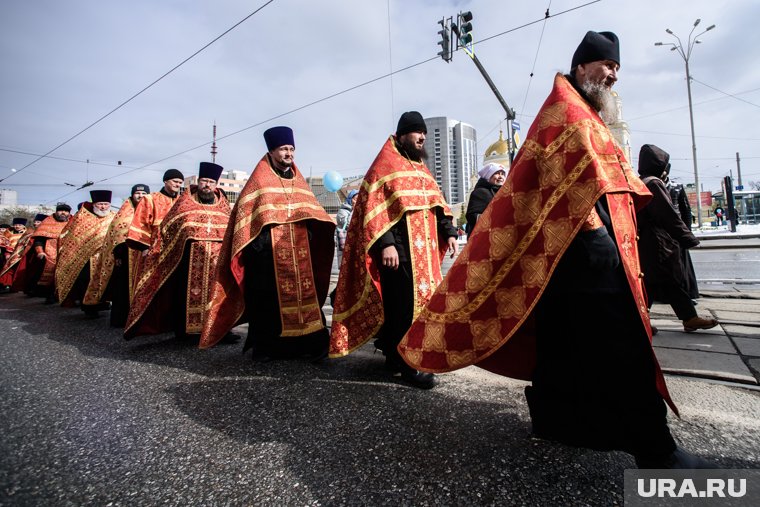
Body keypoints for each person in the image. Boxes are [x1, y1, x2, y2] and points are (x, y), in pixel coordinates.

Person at [398, 32, 716, 468]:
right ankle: (656, 451)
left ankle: (563, 421)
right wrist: (599, 239)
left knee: (566, 341)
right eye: (608, 65)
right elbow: (564, 189)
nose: (613, 75)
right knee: (623, 347)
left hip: (572, 254)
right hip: (585, 253)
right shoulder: (567, 112)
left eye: (617, 69)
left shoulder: (581, 111)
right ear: (583, 66)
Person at [330, 111, 458, 389]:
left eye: (423, 132)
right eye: (416, 132)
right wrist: (386, 244)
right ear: (402, 135)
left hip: (425, 252)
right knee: (403, 308)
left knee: (418, 308)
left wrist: (449, 233)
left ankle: (394, 354)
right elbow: (376, 209)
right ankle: (408, 364)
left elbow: (439, 206)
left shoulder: (421, 168)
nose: (421, 137)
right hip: (400, 252)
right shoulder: (386, 164)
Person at [200, 127, 335, 360]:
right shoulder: (259, 180)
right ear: (271, 151)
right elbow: (246, 218)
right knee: (267, 303)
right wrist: (261, 246)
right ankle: (267, 348)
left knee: (305, 300)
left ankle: (312, 346)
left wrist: (312, 233)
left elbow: (311, 213)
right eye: (284, 149)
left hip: (299, 253)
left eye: (292, 149)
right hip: (267, 257)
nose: (289, 153)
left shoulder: (298, 181)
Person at [125, 164, 235, 342]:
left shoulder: (223, 205)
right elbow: (168, 228)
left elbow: (231, 231)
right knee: (185, 297)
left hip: (216, 262)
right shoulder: (184, 203)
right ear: (198, 182)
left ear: (216, 184)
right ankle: (189, 332)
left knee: (219, 296)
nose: (207, 185)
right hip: (187, 261)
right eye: (204, 181)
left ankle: (219, 331)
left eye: (211, 182)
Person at [637, 144, 717, 333]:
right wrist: (688, 238)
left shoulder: (641, 181)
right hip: (658, 243)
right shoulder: (654, 183)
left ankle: (687, 317)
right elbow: (669, 215)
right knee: (665, 281)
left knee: (657, 283)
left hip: (649, 242)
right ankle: (687, 318)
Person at [83, 184, 149, 327]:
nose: (141, 196)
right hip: (125, 257)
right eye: (138, 193)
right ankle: (120, 319)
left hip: (146, 257)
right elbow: (116, 236)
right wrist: (118, 256)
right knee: (122, 289)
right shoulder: (124, 214)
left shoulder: (150, 210)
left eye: (144, 193)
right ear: (132, 195)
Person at [55, 190, 116, 314]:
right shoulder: (83, 218)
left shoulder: (115, 217)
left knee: (107, 280)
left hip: (108, 256)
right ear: (94, 204)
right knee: (86, 280)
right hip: (87, 257)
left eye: (106, 204)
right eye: (100, 204)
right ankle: (89, 306)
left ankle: (103, 303)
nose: (103, 207)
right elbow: (74, 236)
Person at [31, 204, 71, 300]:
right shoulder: (47, 222)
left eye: (66, 211)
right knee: (51, 275)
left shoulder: (73, 223)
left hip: (68, 254)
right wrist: (40, 252)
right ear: (56, 212)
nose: (63, 213)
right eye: (60, 210)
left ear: (69, 213)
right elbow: (38, 240)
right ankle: (50, 295)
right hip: (49, 254)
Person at [0, 214, 46, 294]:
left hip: (39, 254)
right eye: (35, 222)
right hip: (19, 255)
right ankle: (7, 285)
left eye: (38, 222)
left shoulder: (40, 232)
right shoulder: (28, 232)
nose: (35, 223)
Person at [330, 189, 359, 304]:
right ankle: (336, 299)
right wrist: (354, 211)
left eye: (358, 198)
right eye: (354, 198)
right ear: (350, 199)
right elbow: (347, 224)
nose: (357, 200)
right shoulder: (343, 211)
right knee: (345, 275)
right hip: (346, 248)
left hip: (356, 247)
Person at [465, 162, 506, 228]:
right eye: (497, 173)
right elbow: (472, 217)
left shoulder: (504, 193)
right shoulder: (480, 192)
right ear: (488, 176)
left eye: (503, 174)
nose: (501, 177)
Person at [0, 218, 28, 292]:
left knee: (19, 271)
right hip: (10, 254)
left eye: (19, 225)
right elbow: (5, 244)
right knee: (8, 270)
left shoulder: (27, 234)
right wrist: (7, 253)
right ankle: (6, 285)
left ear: (23, 226)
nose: (17, 226)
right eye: (15, 225)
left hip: (22, 255)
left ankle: (17, 286)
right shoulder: (8, 233)